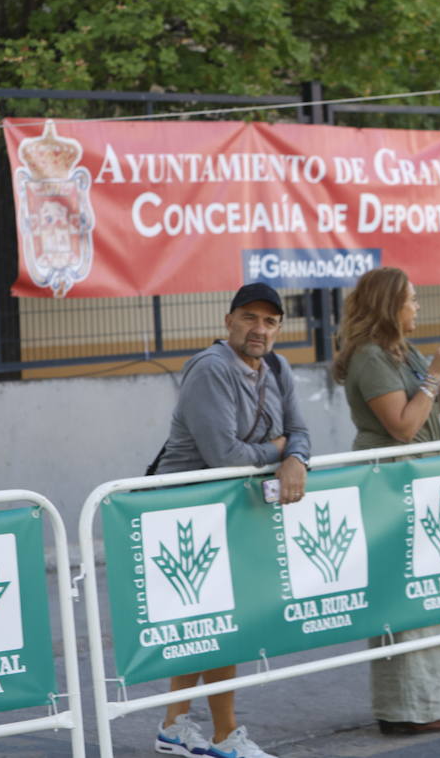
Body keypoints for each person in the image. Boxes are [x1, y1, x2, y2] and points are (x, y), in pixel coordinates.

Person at [154, 282, 310, 758]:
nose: (259, 329)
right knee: (220, 621)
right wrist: (279, 451)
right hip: (186, 507)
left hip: (231, 508)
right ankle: (224, 737)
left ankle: (173, 726)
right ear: (228, 321)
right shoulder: (210, 369)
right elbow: (225, 455)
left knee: (210, 621)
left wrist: (296, 459)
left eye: (269, 321)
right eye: (249, 318)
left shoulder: (277, 367)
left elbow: (301, 430)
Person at [332, 266, 440, 735]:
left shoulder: (404, 350)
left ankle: (429, 703)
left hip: (423, 480)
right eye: (412, 300)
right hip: (391, 483)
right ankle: (402, 710)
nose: (418, 307)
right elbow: (403, 425)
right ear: (388, 306)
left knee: (429, 595)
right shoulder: (370, 357)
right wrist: (436, 371)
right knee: (402, 597)